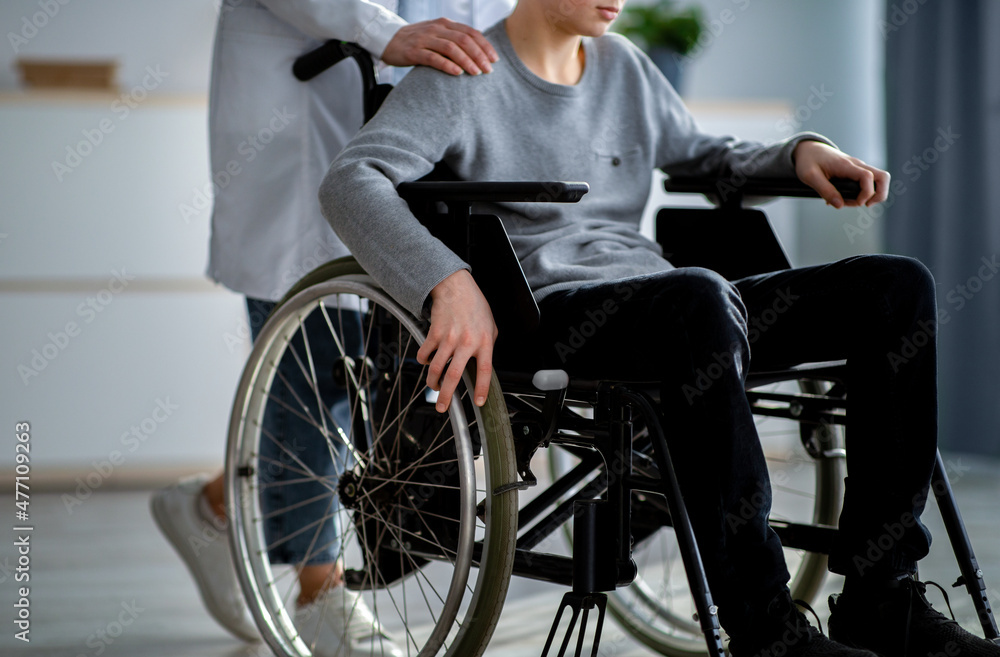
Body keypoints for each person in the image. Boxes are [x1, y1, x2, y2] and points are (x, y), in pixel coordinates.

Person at [318, 1, 1000, 656]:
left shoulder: (624, 66)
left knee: (896, 289)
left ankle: (882, 598)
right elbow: (351, 180)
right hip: (551, 312)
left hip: (675, 308)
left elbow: (705, 154)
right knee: (698, 297)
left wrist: (800, 154)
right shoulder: (464, 72)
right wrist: (444, 279)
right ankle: (765, 627)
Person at [150, 0, 513, 655]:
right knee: (320, 363)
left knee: (382, 370)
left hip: (422, 125)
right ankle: (320, 593)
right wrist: (385, 31)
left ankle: (216, 504)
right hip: (304, 112)